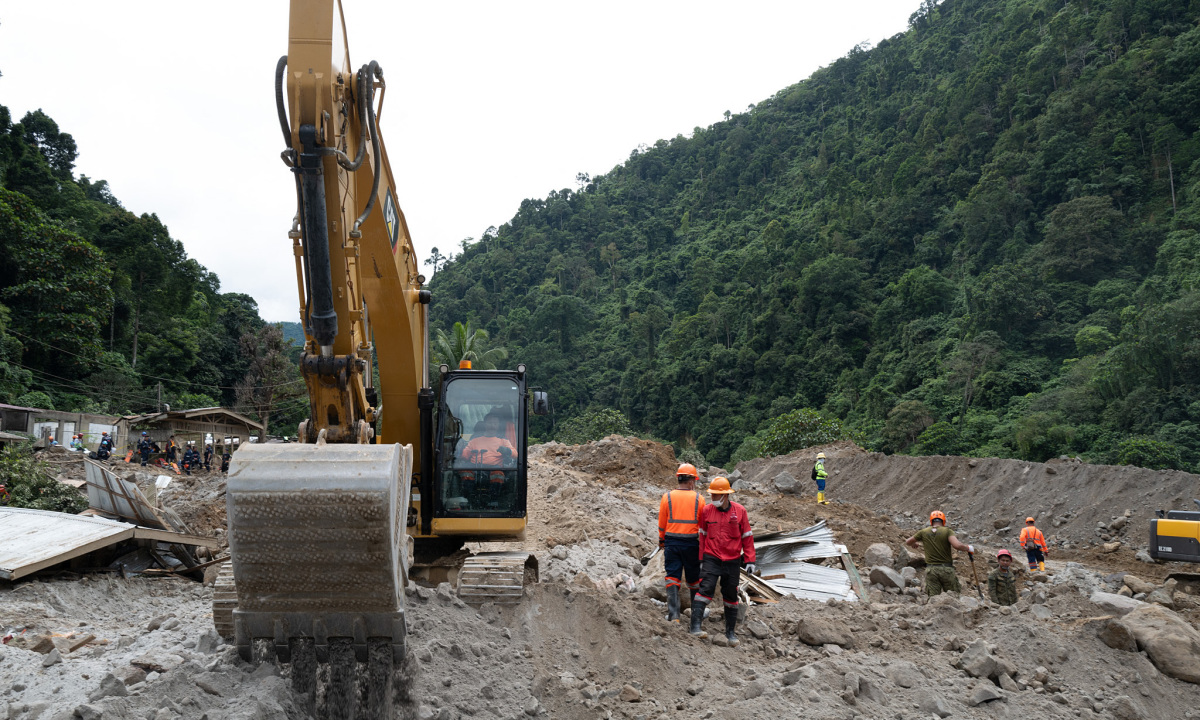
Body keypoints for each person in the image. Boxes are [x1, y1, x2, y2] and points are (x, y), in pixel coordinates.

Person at [691, 477, 756, 648]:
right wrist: (700, 559)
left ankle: (730, 632)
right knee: (705, 588)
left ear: (726, 495)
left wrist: (750, 560)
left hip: (732, 560)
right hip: (712, 557)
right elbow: (703, 535)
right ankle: (695, 626)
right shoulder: (707, 511)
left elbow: (747, 537)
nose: (713, 499)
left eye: (716, 495)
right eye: (712, 495)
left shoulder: (740, 511)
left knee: (730, 594)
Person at [657, 463, 706, 624]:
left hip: (671, 542)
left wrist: (661, 539)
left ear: (679, 478)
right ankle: (696, 614)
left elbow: (662, 523)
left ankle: (674, 616)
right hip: (691, 543)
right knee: (693, 580)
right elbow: (703, 525)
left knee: (672, 578)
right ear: (691, 481)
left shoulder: (667, 497)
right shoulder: (699, 499)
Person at [905, 510, 974, 596]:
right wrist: (968, 548)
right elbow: (957, 545)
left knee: (933, 598)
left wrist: (913, 543)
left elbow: (908, 542)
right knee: (953, 596)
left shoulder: (923, 532)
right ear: (943, 521)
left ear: (931, 521)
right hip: (946, 570)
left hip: (931, 570)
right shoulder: (947, 531)